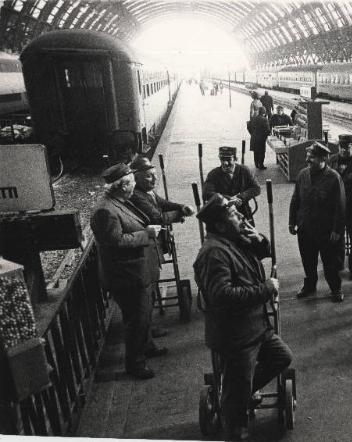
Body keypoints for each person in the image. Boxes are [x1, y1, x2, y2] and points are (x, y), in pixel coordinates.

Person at [193, 194, 293, 440]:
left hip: (255, 326)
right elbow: (222, 296)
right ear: (219, 224)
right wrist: (266, 289)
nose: (240, 215)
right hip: (236, 335)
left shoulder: (232, 239)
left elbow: (260, 254)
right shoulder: (214, 253)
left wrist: (259, 239)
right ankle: (235, 427)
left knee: (282, 357)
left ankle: (239, 392)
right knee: (237, 389)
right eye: (232, 213)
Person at [90, 164, 165, 380]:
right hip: (126, 276)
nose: (134, 186)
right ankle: (135, 365)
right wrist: (146, 234)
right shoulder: (105, 211)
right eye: (132, 182)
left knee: (142, 315)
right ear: (122, 186)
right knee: (136, 321)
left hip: (134, 271)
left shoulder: (118, 201)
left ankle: (147, 346)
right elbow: (115, 242)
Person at [129, 155, 195, 337]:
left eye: (155, 174)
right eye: (149, 176)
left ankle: (148, 328)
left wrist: (181, 206)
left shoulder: (146, 191)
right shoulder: (136, 195)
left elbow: (162, 204)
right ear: (136, 177)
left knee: (151, 287)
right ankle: (146, 331)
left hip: (152, 247)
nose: (155, 179)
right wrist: (179, 215)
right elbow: (156, 217)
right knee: (148, 290)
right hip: (148, 248)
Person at [289, 142, 346, 302]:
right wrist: (292, 221)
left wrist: (337, 230)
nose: (308, 160)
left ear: (323, 159)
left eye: (311, 157)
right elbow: (295, 200)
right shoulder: (302, 174)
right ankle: (310, 285)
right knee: (308, 260)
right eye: (307, 157)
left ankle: (336, 288)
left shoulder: (334, 178)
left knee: (330, 263)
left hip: (325, 231)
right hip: (305, 228)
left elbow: (340, 207)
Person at [328, 134, 352, 280]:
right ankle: (338, 264)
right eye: (342, 147)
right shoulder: (331, 161)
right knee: (337, 236)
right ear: (338, 147)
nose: (344, 150)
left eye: (348, 147)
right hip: (336, 209)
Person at [203, 146, 261, 225]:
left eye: (228, 159)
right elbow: (206, 194)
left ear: (235, 159)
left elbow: (256, 188)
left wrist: (240, 197)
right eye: (222, 159)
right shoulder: (213, 174)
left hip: (243, 211)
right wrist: (229, 199)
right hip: (222, 213)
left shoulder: (244, 170)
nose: (225, 163)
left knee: (251, 235)